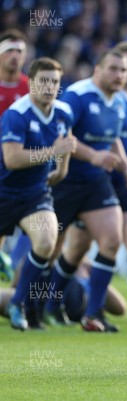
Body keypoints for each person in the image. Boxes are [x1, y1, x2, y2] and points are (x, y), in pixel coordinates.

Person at [59, 41, 127, 328]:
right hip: (92, 180)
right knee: (77, 249)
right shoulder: (96, 95)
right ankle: (51, 302)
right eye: (123, 65)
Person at [43, 48, 127, 332]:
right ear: (97, 70)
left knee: (110, 240)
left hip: (96, 182)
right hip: (65, 180)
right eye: (113, 69)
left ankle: (93, 314)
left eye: (123, 71)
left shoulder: (119, 102)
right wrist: (93, 156)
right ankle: (39, 306)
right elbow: (62, 134)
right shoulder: (77, 95)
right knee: (51, 249)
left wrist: (126, 167)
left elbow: (112, 139)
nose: (119, 75)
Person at [0, 57, 77, 330]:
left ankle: (18, 303)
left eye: (54, 81)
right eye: (43, 80)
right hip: (3, 193)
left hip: (34, 195)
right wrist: (52, 153)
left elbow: (65, 145)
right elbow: (12, 159)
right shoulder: (16, 114)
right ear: (30, 83)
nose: (49, 86)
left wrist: (61, 169)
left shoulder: (64, 113)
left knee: (46, 242)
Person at [0, 29, 30, 281]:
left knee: (40, 225)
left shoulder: (30, 88)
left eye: (20, 51)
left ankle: (16, 265)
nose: (15, 56)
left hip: (23, 168)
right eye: (9, 49)